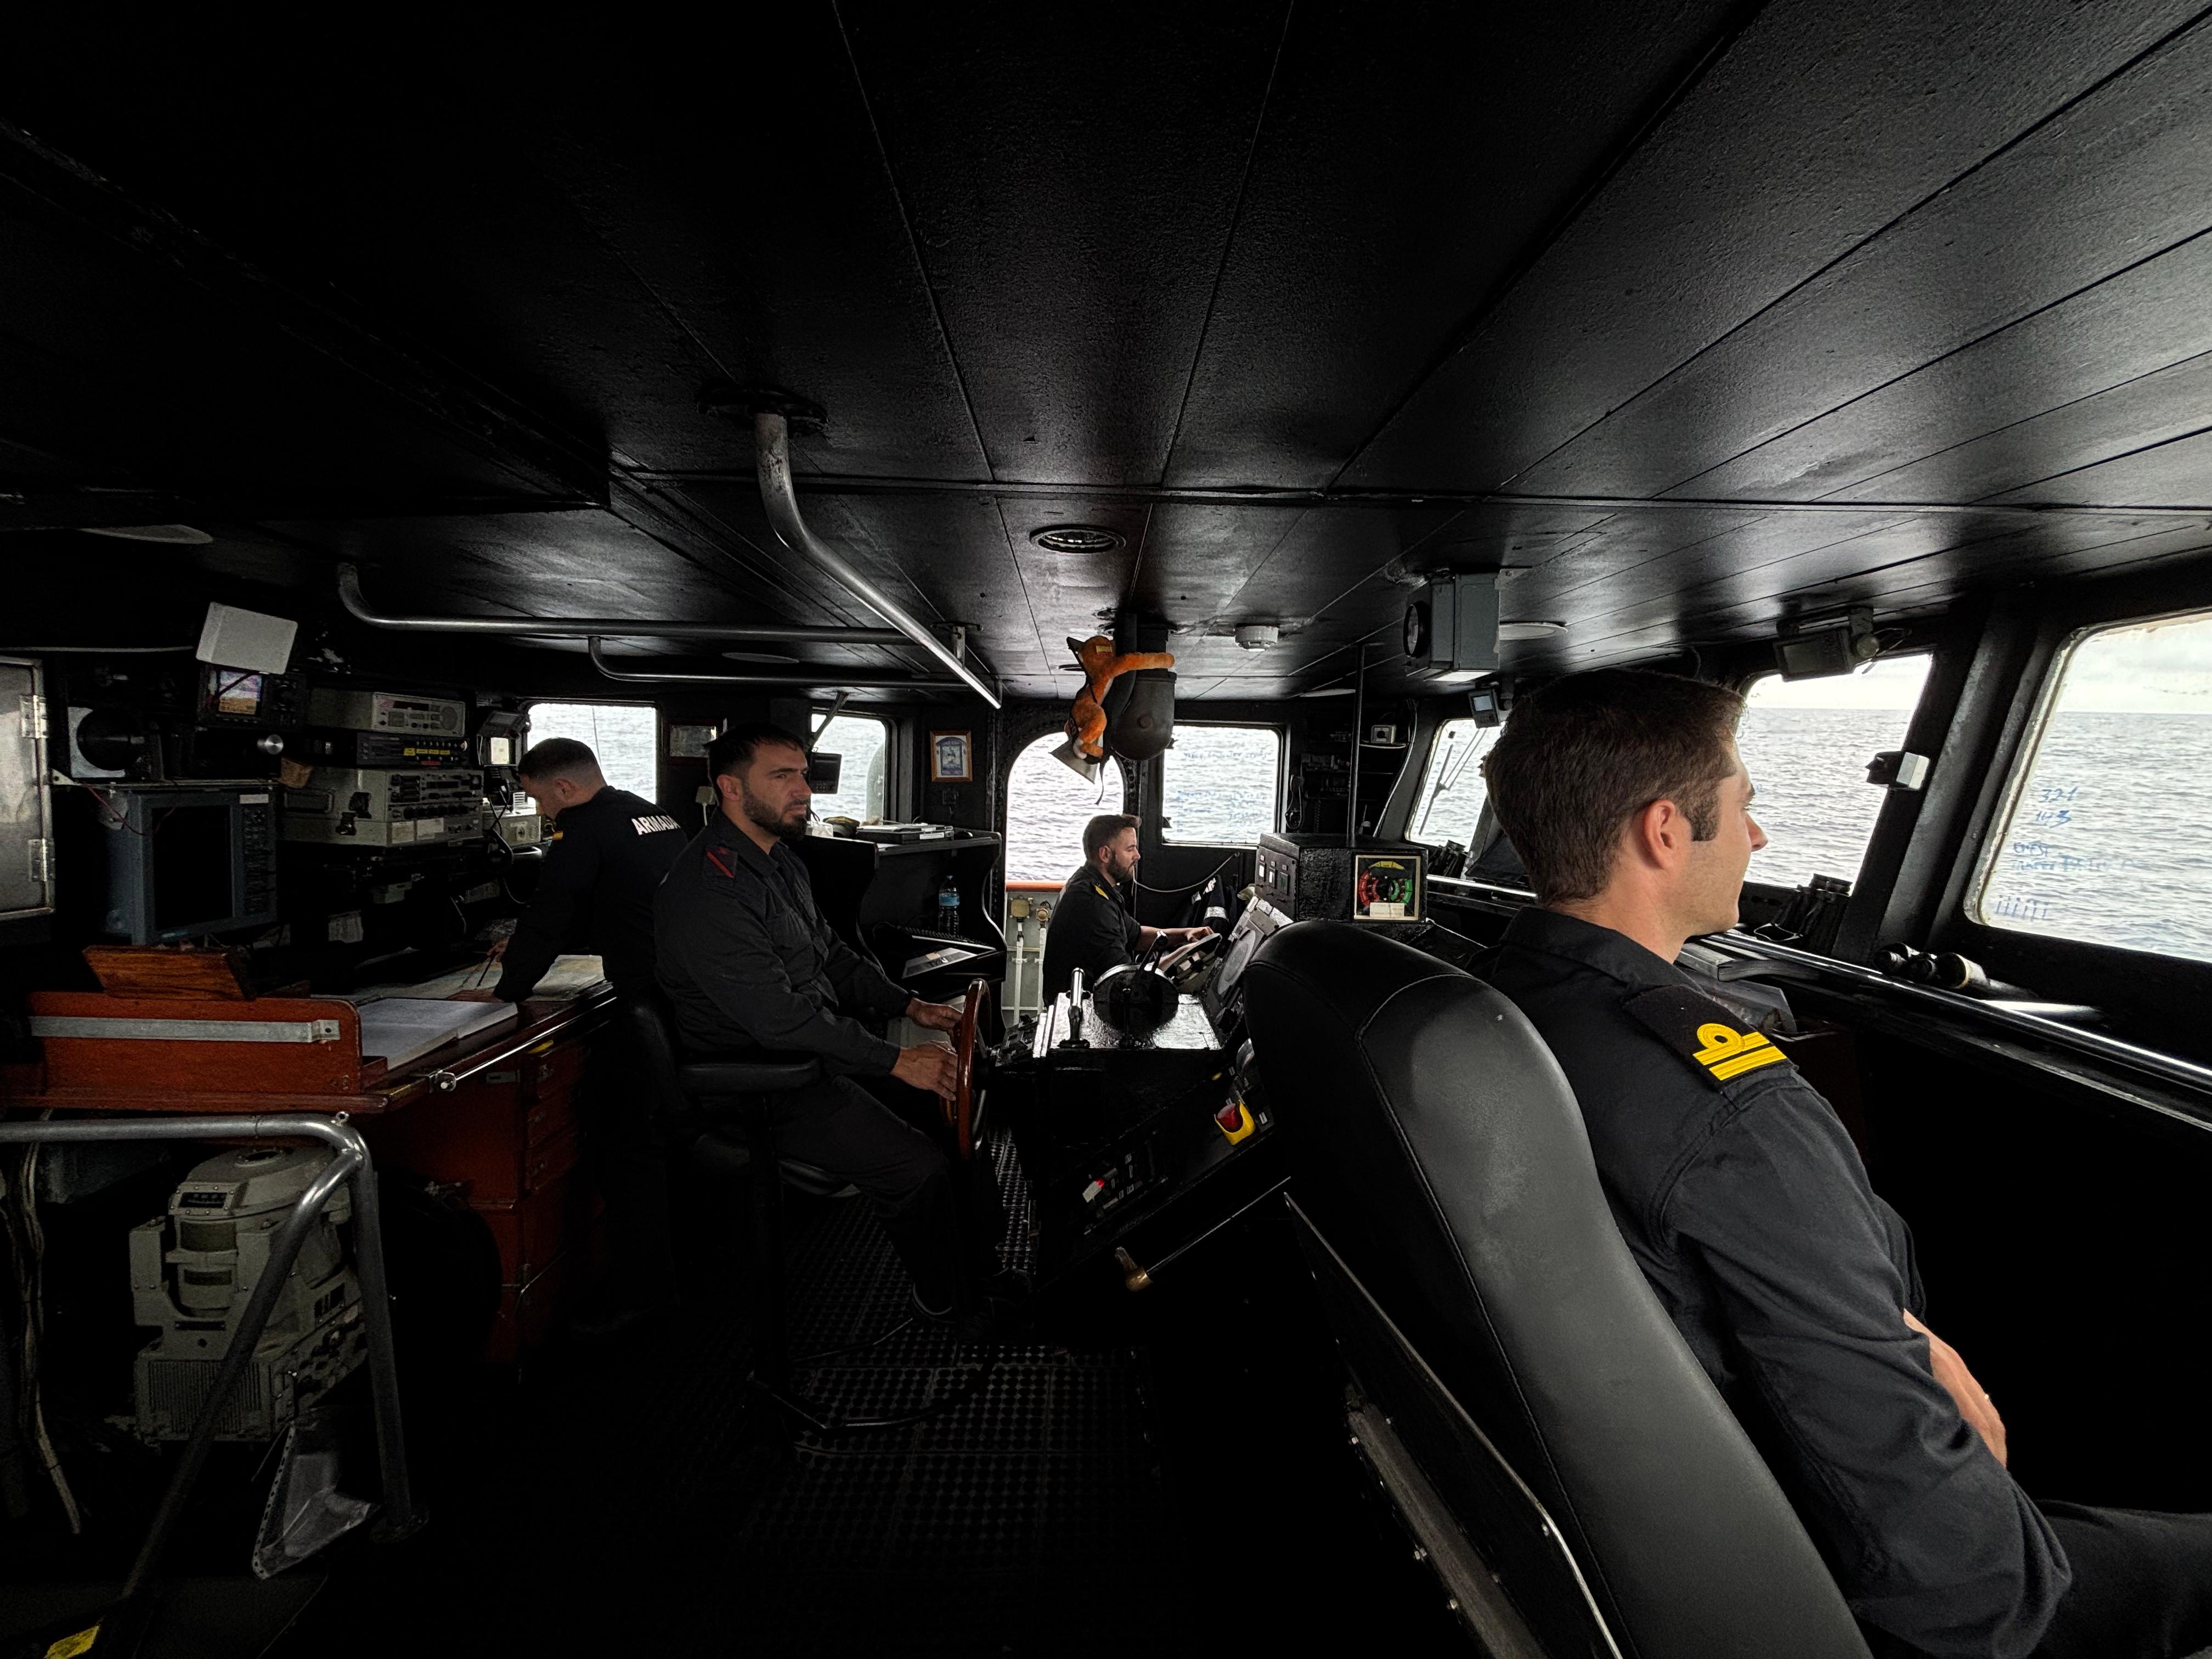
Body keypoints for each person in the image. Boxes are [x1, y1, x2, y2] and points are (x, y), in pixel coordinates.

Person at [1476, 668, 2212, 1659]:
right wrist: (2011, 1581)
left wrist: (1887, 1325)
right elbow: (1958, 1583)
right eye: (1744, 804)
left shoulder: (1503, 1002)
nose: (1757, 836)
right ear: (1664, 831)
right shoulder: (1734, 1110)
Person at [654, 722, 1015, 1333]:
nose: (804, 790)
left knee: (950, 1105)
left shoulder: (780, 862)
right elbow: (779, 1020)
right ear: (730, 789)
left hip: (814, 1055)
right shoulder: (708, 892)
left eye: (803, 775)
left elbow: (833, 958)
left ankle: (984, 1268)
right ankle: (945, 1302)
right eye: (782, 776)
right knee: (915, 1167)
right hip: (763, 1082)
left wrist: (909, 1007)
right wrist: (896, 1060)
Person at [471, 737, 689, 1338]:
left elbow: (552, 911)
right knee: (653, 1138)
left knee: (625, 1146)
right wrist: (534, 943)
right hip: (688, 997)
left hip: (648, 1006)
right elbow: (625, 897)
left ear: (564, 787)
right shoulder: (650, 813)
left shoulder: (582, 828)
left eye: (542, 800)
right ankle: (673, 1271)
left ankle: (645, 1296)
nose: (544, 813)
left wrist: (503, 994)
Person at [1039, 812, 1211, 1000]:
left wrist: (1185, 934)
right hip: (1083, 1007)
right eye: (1130, 849)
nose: (1137, 856)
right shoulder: (1091, 905)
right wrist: (1182, 955)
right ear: (1105, 854)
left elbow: (1137, 936)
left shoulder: (1098, 887)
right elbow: (1126, 981)